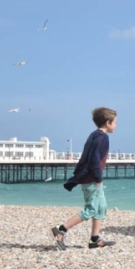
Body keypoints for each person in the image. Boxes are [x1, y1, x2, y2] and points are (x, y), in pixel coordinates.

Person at [50, 107, 118, 250]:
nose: (116, 125)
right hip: (91, 178)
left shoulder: (94, 135)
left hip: (90, 177)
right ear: (108, 122)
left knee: (101, 207)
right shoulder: (102, 138)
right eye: (115, 122)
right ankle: (61, 229)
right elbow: (94, 159)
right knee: (91, 209)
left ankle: (94, 239)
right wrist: (98, 178)